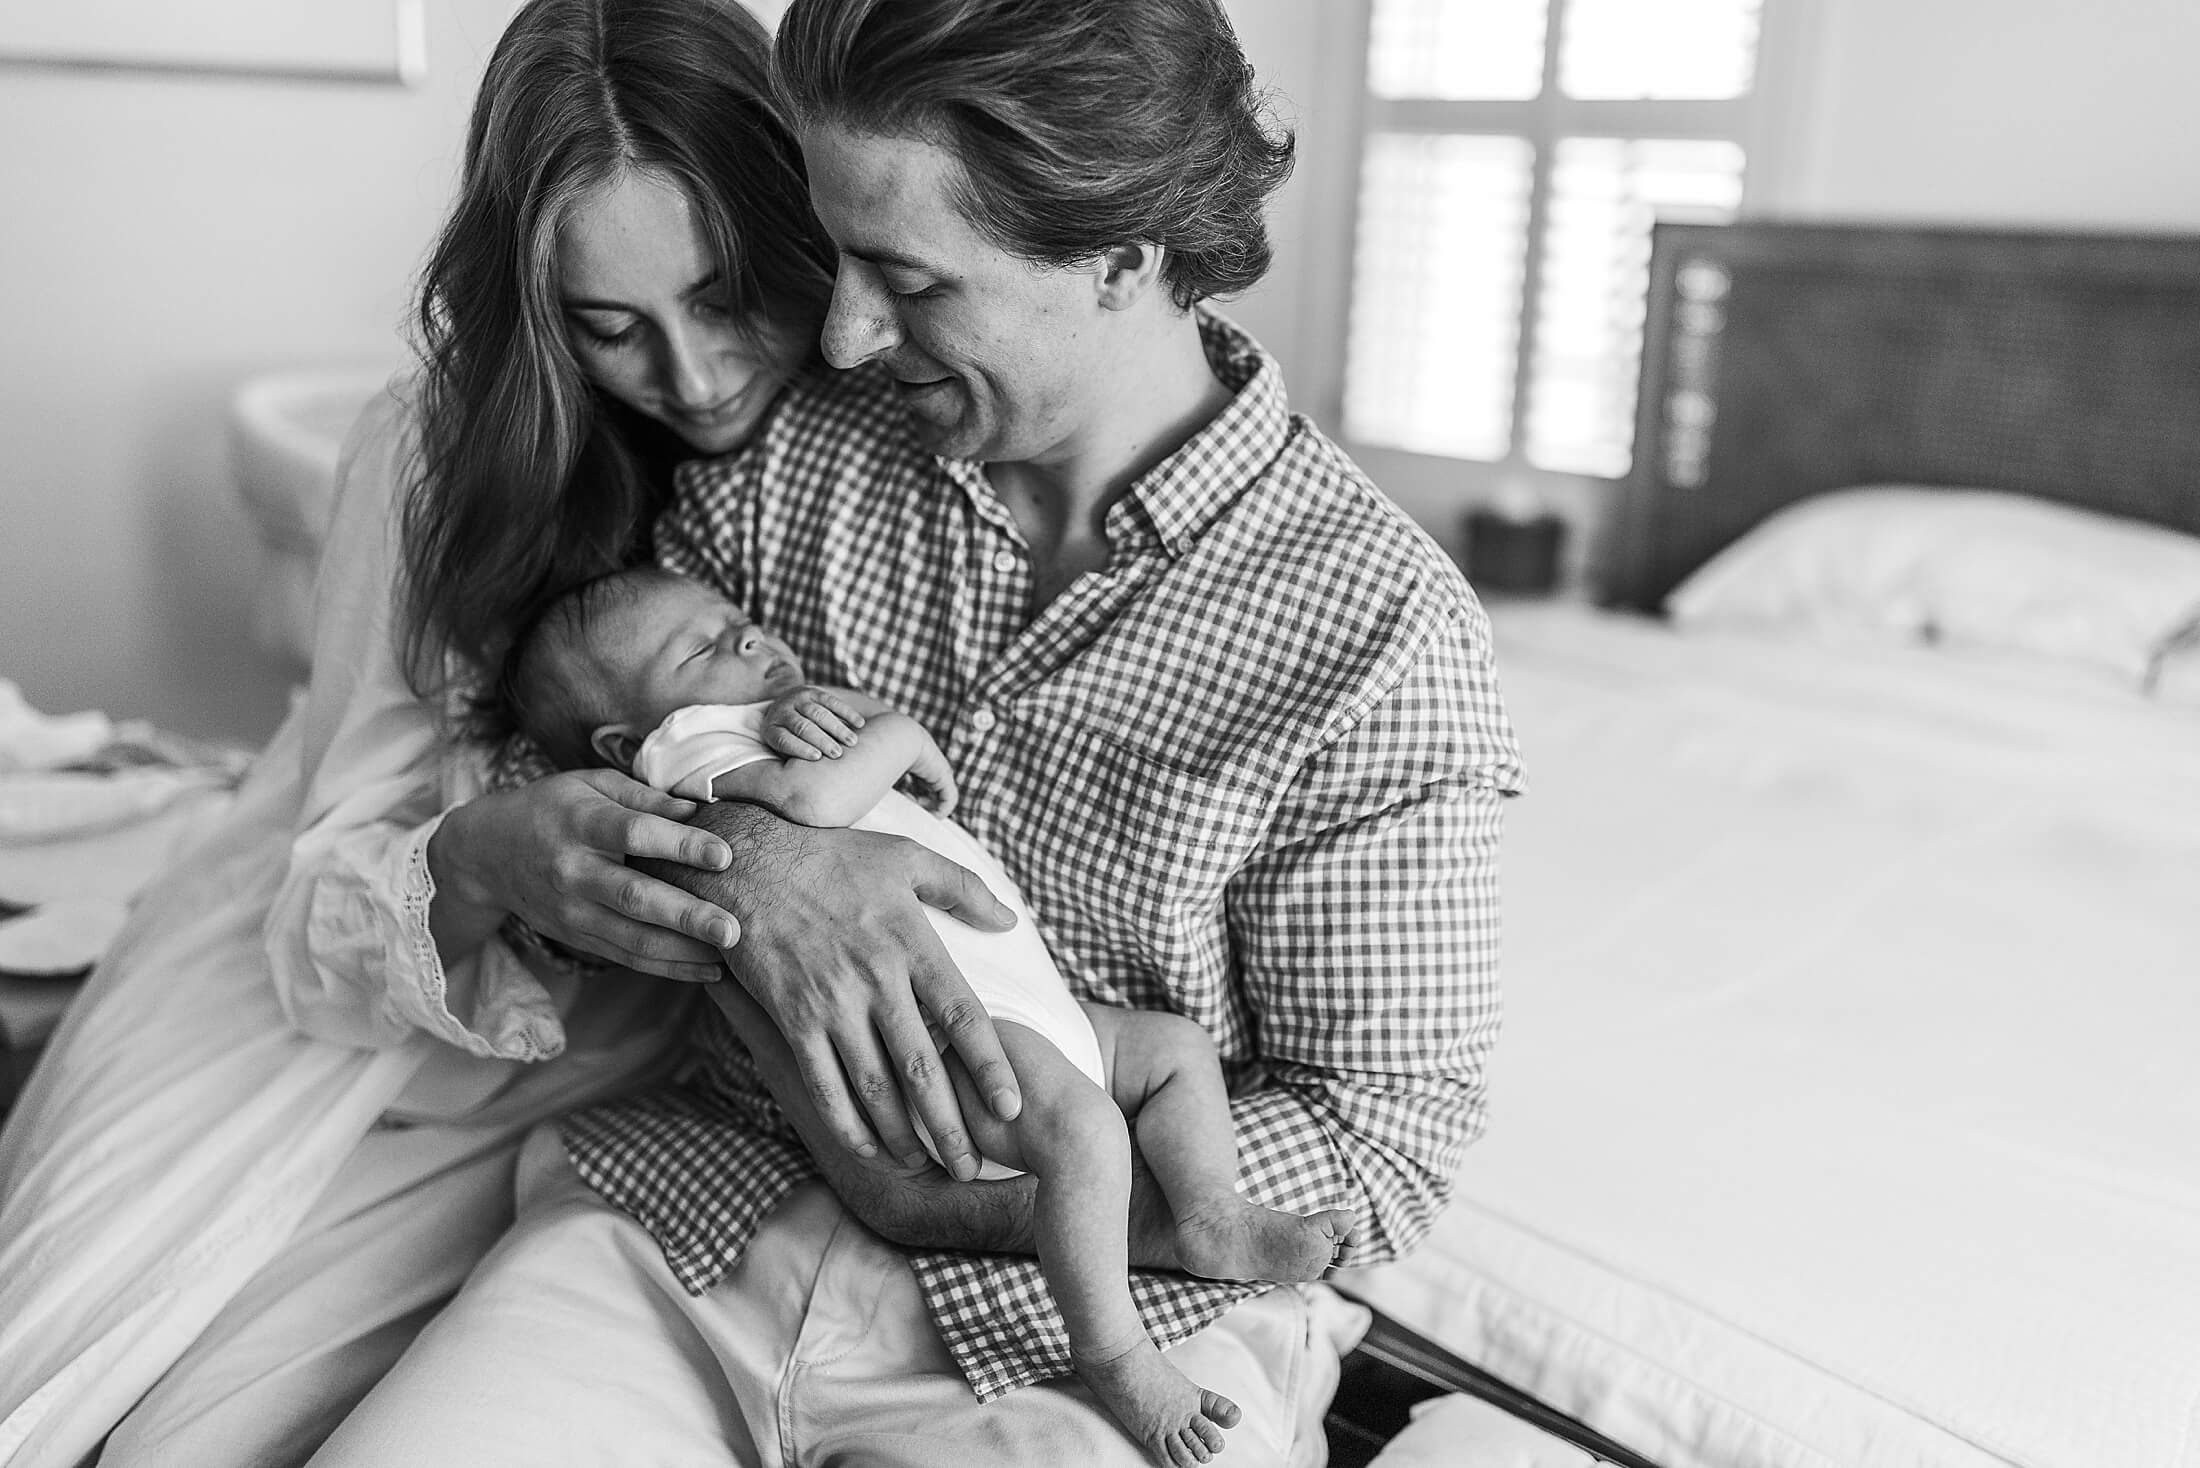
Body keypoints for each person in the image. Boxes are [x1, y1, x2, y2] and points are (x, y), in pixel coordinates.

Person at [308, 2, 1524, 1467]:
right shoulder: (793, 455)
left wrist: (963, 1161)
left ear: (1122, 256)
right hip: (684, 1227)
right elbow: (563, 762)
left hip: (1112, 1334)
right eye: (836, 258)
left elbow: (1383, 1148)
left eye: (905, 277)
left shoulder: (1381, 637)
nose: (839, 332)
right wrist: (754, 869)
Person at [0, 4, 1012, 1464]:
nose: (697, 373)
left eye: (731, 296)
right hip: (338, 1018)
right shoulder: (433, 460)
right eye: (612, 327)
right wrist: (487, 856)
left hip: (635, 1081)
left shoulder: (883, 414)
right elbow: (324, 889)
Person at [509, 564, 1359, 1462]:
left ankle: (1208, 1212)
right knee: (1087, 1134)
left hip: (1021, 1002)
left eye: (741, 622)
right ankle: (1113, 1347)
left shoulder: (759, 724)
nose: (749, 641)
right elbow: (815, 802)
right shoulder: (685, 750)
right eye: (702, 649)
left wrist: (844, 717)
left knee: (1175, 1048)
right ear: (620, 742)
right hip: (942, 1025)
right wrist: (900, 731)